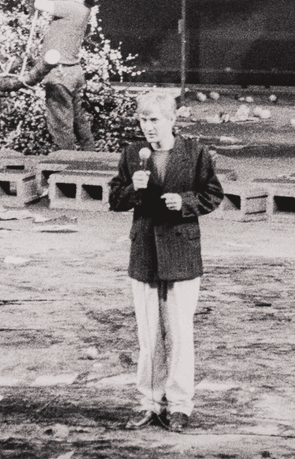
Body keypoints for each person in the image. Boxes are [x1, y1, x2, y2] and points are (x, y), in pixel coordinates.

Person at [109, 90, 224, 432]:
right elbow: (114, 198)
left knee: (179, 333)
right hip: (144, 253)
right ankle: (149, 402)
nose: (148, 127)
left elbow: (214, 194)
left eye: (155, 120)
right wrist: (133, 187)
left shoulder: (195, 153)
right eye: (143, 120)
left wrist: (185, 201)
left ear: (172, 120)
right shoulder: (132, 155)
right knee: (149, 336)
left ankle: (179, 405)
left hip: (181, 253)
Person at [20, 0, 101, 150]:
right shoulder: (80, 6)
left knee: (60, 124)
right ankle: (90, 156)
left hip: (59, 74)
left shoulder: (70, 7)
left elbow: (39, 4)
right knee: (77, 119)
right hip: (72, 72)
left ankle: (67, 164)